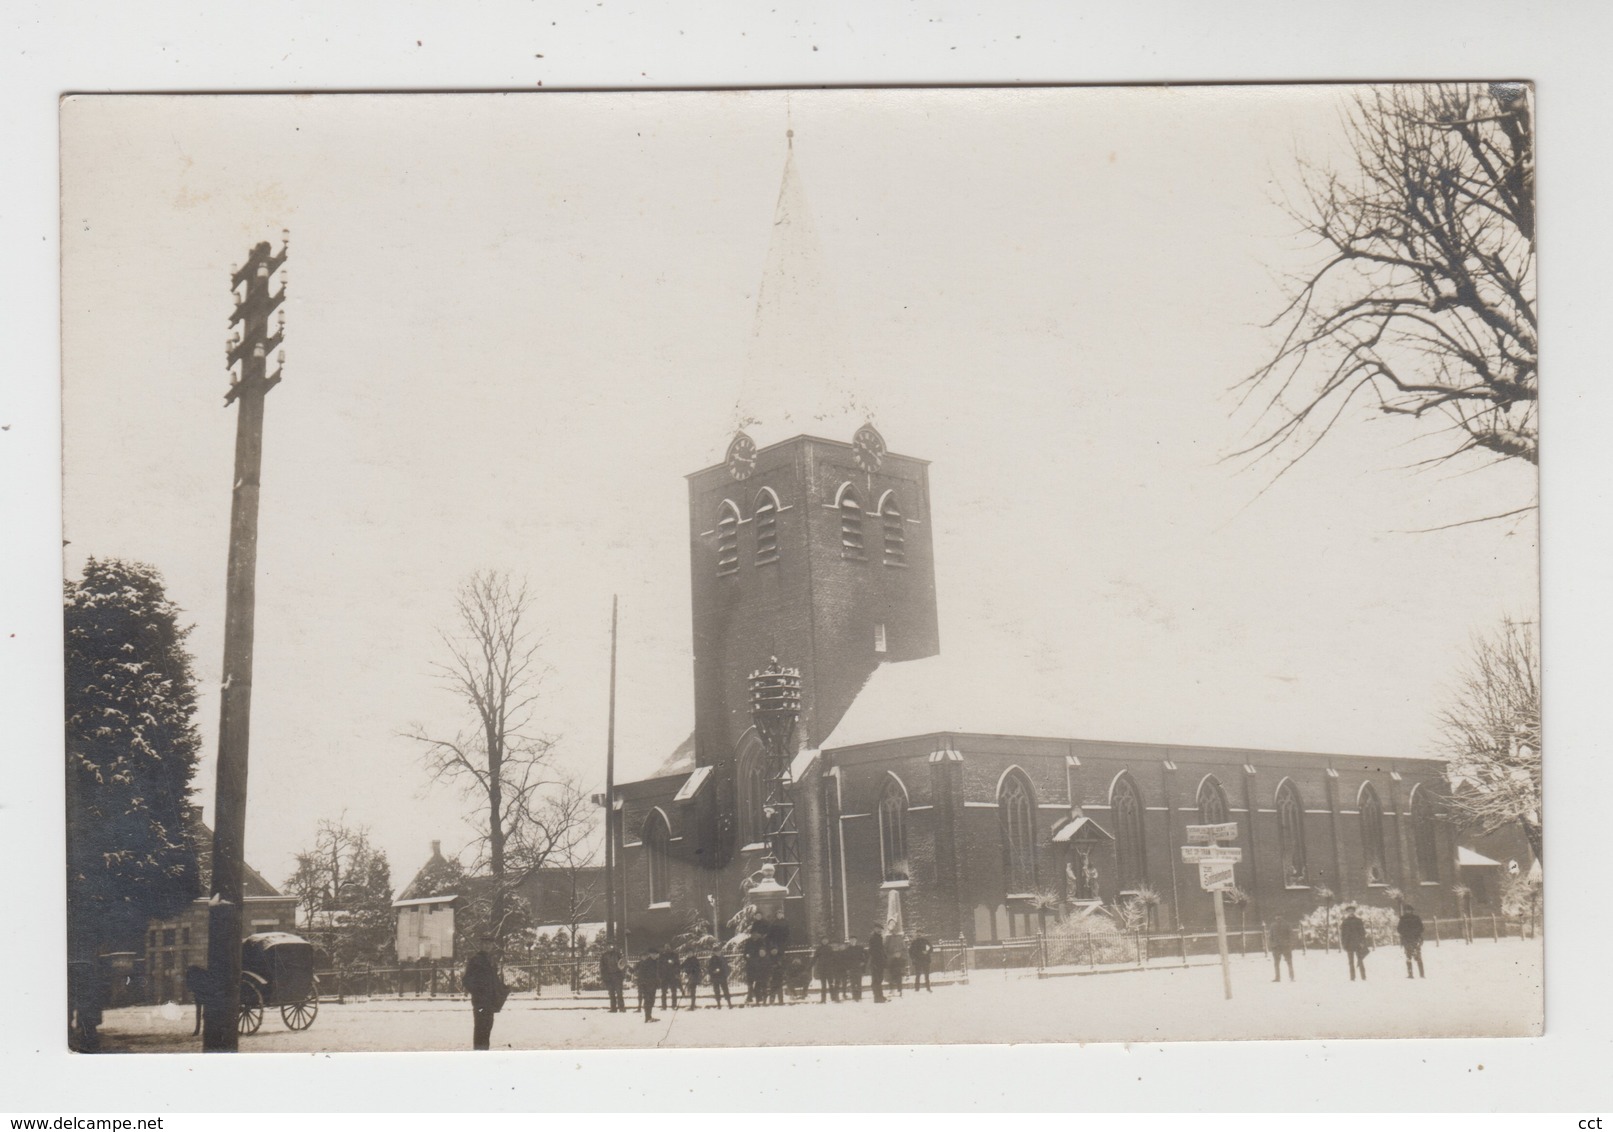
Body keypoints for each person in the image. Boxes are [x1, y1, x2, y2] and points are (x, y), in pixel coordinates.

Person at [462, 939, 505, 1051]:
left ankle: (484, 1052)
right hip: (480, 1001)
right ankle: (479, 1054)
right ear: (480, 945)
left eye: (489, 943)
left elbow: (494, 979)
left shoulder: (491, 960)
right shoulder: (475, 960)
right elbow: (467, 980)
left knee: (487, 1028)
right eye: (485, 943)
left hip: (490, 1001)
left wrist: (499, 989)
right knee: (480, 1029)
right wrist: (479, 992)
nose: (487, 946)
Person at [765, 910, 790, 1005]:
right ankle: (772, 999)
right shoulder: (774, 924)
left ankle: (780, 1000)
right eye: (778, 914)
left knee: (778, 982)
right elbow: (770, 935)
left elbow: (788, 934)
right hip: (776, 945)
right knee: (773, 983)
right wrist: (773, 946)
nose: (780, 915)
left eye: (781, 914)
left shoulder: (785, 923)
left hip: (782, 946)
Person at [1340, 906, 1369, 981]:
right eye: (1349, 911)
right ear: (1347, 912)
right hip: (1348, 944)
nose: (1350, 912)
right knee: (1351, 962)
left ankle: (1363, 977)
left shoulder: (1358, 921)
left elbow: (1362, 932)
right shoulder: (1345, 922)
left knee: (1360, 960)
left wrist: (1362, 942)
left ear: (1354, 912)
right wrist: (1343, 943)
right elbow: (1342, 934)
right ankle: (1352, 978)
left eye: (1352, 911)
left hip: (1358, 943)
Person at [1397, 904, 1426, 979]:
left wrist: (1408, 932)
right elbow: (1399, 929)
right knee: (1409, 957)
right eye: (1407, 910)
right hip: (1409, 940)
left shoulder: (1414, 918)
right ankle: (1411, 974)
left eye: (1409, 910)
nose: (1408, 911)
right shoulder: (1404, 919)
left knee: (1417, 957)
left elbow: (1421, 928)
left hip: (1413, 939)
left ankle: (1421, 974)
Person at [743, 923, 769, 1006]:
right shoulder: (748, 942)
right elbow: (745, 953)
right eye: (753, 934)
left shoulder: (761, 942)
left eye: (756, 934)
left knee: (760, 982)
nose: (754, 935)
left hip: (759, 965)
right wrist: (746, 956)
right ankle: (750, 996)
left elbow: (763, 952)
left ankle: (760, 998)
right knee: (750, 982)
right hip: (750, 965)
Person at [634, 950, 660, 1022]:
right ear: (650, 954)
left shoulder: (656, 962)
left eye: (655, 954)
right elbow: (641, 974)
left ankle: (649, 1016)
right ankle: (647, 1017)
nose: (654, 956)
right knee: (648, 1001)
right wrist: (643, 984)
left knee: (651, 1000)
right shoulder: (646, 963)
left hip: (653, 985)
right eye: (653, 954)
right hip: (646, 985)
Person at [599, 944, 627, 1013]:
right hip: (609, 977)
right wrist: (604, 977)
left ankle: (622, 1007)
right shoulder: (604, 956)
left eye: (611, 946)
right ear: (606, 947)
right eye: (608, 946)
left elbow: (623, 964)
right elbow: (602, 967)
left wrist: (622, 975)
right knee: (611, 993)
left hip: (617, 976)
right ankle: (613, 1008)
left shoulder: (617, 954)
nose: (610, 947)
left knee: (619, 993)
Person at [1268, 915, 1296, 982]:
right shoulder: (1287, 924)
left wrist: (1272, 945)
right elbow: (1291, 935)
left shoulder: (1273, 925)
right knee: (1289, 962)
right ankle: (1291, 977)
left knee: (1277, 963)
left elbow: (1270, 937)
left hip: (1278, 946)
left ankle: (1278, 978)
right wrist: (1290, 944)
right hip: (1284, 946)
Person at [867, 929, 887, 1004]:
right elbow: (873, 951)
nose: (879, 931)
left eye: (880, 929)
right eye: (877, 929)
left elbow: (881, 951)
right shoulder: (873, 938)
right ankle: (877, 997)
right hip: (875, 962)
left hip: (879, 962)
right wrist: (874, 962)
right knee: (876, 980)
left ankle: (880, 996)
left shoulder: (879, 938)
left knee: (879, 979)